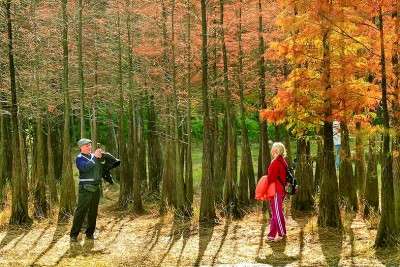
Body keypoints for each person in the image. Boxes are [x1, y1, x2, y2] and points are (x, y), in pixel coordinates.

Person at [70, 138, 103, 242]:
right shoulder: (79, 158)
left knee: (93, 211)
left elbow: (99, 167)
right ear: (81, 148)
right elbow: (85, 168)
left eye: (90, 145)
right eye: (86, 146)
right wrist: (95, 159)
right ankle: (73, 235)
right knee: (81, 211)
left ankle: (90, 234)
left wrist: (100, 159)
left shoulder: (94, 157)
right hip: (85, 188)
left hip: (95, 188)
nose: (89, 147)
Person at [265, 142, 288, 242]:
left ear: (276, 151)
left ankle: (281, 233)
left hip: (277, 191)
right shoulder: (283, 161)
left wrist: (264, 181)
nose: (271, 151)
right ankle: (271, 235)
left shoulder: (275, 163)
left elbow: (271, 178)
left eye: (273, 149)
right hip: (281, 190)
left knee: (278, 213)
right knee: (275, 213)